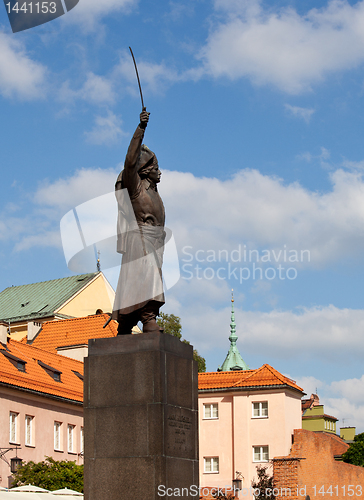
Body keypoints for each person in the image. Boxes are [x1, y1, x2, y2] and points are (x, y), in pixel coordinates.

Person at [113, 110, 165, 335]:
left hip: (154, 240)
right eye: (155, 168)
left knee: (138, 280)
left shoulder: (154, 193)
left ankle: (126, 322)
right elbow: (130, 161)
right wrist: (140, 129)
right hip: (140, 238)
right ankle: (147, 318)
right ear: (145, 171)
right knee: (147, 277)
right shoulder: (135, 188)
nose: (159, 172)